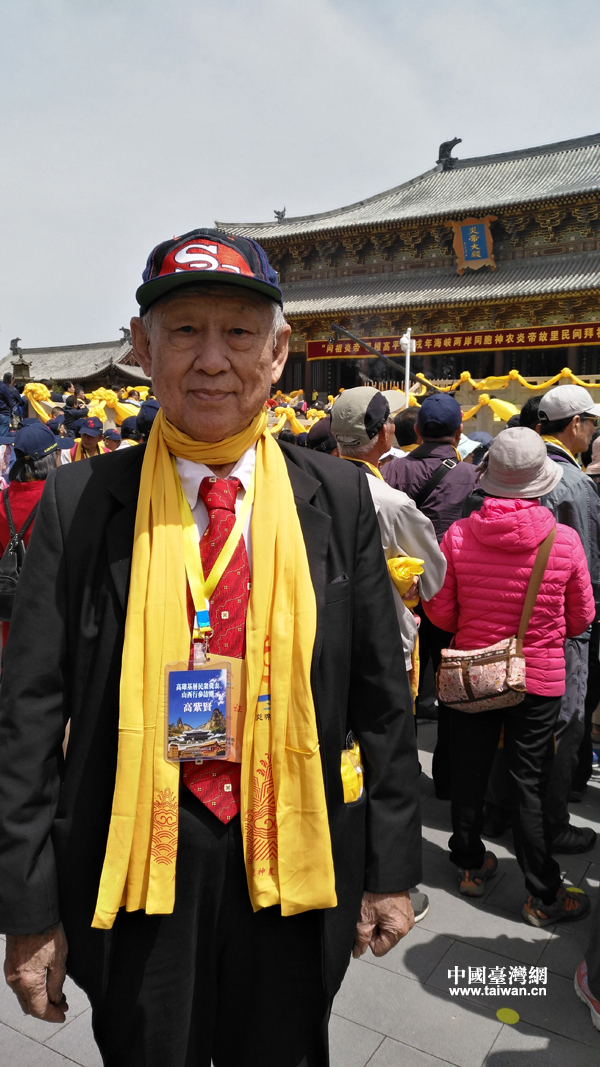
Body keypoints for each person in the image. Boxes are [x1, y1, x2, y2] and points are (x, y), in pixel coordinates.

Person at [0, 227, 422, 1067]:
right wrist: (29, 908)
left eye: (238, 332)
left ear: (278, 351)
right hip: (137, 861)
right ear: (141, 347)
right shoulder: (81, 499)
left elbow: (382, 697)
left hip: (295, 856)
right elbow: (30, 711)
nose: (213, 360)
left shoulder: (338, 495)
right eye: (185, 330)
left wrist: (390, 865)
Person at [423, 428, 595, 925]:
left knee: (469, 771)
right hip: (538, 678)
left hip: (472, 673)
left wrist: (479, 626)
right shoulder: (563, 541)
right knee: (529, 782)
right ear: (542, 483)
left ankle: (470, 865)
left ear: (489, 478)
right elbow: (581, 619)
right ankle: (542, 893)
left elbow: (441, 614)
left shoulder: (458, 535)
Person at [383, 394, 478, 796]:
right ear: (459, 432)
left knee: (397, 678)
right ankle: (448, 775)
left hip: (397, 591)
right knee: (450, 680)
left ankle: (397, 768)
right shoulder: (470, 474)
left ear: (418, 431)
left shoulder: (390, 470)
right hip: (448, 591)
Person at [536, 384, 600, 853]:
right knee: (565, 722)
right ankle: (552, 823)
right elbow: (589, 568)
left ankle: (503, 809)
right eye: (592, 423)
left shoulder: (508, 465)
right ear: (575, 423)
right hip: (562, 624)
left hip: (508, 614)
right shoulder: (575, 484)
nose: (593, 431)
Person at [0, 423, 62, 647]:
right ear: (51, 457)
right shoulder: (60, 497)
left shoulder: (2, 498)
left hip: (12, 611)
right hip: (53, 611)